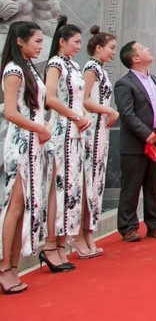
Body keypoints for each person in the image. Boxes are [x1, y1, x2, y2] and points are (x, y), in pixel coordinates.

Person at [0, 22, 51, 294]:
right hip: (20, 145)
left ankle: (14, 267)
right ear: (20, 41)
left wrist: (41, 128)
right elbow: (10, 112)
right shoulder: (13, 70)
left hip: (34, 143)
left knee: (26, 208)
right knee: (15, 208)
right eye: (37, 41)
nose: (40, 46)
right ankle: (4, 267)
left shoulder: (30, 69)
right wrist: (39, 127)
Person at [113, 41, 156, 242]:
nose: (147, 48)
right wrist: (145, 132)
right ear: (135, 59)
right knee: (131, 186)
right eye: (141, 48)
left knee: (153, 184)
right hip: (136, 143)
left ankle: (154, 224)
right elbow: (127, 113)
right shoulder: (125, 83)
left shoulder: (154, 80)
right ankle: (128, 227)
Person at [44, 17, 89, 270]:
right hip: (62, 130)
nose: (77, 47)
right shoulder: (55, 64)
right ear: (61, 42)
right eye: (75, 42)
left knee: (71, 189)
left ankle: (61, 244)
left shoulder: (73, 65)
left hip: (76, 130)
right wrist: (74, 115)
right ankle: (51, 245)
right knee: (58, 188)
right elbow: (50, 98)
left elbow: (77, 99)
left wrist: (81, 117)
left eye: (80, 43)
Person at [78, 25, 119, 258]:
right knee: (89, 180)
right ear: (98, 47)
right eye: (111, 48)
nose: (112, 52)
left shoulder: (99, 69)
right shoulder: (91, 68)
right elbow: (84, 100)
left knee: (96, 181)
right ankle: (84, 233)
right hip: (91, 128)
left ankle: (89, 231)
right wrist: (109, 111)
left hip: (100, 128)